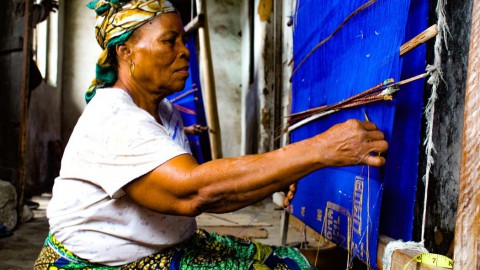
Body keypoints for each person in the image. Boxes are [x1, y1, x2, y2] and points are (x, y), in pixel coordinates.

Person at [34, 0, 388, 269]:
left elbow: (219, 197)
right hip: (102, 265)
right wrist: (320, 149)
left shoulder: (163, 112)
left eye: (183, 40)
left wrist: (281, 175)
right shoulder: (114, 119)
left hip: (167, 246)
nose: (184, 51)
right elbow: (196, 193)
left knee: (288, 261)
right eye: (169, 41)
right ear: (125, 52)